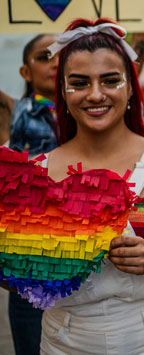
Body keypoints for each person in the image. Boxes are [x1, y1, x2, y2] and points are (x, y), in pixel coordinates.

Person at [36, 18, 144, 354]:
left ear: (129, 87)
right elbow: (15, 280)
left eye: (110, 80)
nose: (95, 94)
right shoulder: (36, 174)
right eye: (79, 83)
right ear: (63, 92)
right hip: (64, 343)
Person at [1, 34, 59, 355]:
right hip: (30, 260)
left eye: (61, 54)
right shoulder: (15, 113)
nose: (54, 62)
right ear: (26, 72)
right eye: (43, 56)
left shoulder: (95, 112)